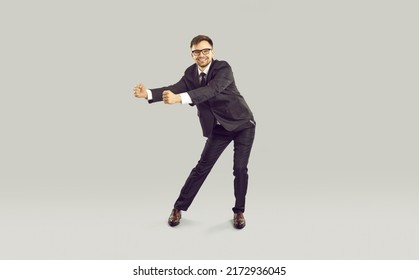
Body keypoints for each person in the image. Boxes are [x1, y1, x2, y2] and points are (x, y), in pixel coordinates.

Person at [133, 35, 255, 229]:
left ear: (212, 52)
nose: (202, 55)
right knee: (201, 168)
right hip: (219, 127)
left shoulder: (223, 68)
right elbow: (174, 88)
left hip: (242, 124)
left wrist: (179, 99)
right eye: (197, 51)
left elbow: (211, 90)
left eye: (206, 50)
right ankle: (178, 208)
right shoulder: (190, 73)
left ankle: (239, 211)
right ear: (192, 55)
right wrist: (148, 93)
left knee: (240, 168)